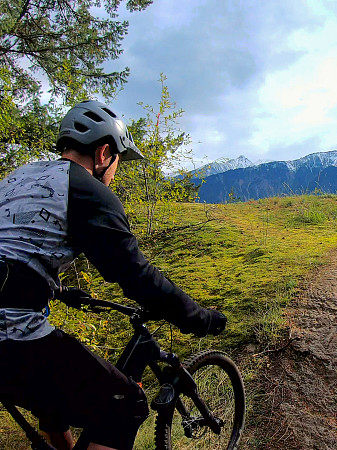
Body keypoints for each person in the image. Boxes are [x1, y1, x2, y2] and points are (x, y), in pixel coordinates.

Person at [0, 100, 227, 450]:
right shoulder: (88, 191)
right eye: (119, 162)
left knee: (53, 387)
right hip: (10, 332)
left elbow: (16, 252)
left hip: (12, 320)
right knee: (126, 405)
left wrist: (55, 288)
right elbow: (135, 274)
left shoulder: (18, 178)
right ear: (104, 152)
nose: (115, 173)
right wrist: (198, 318)